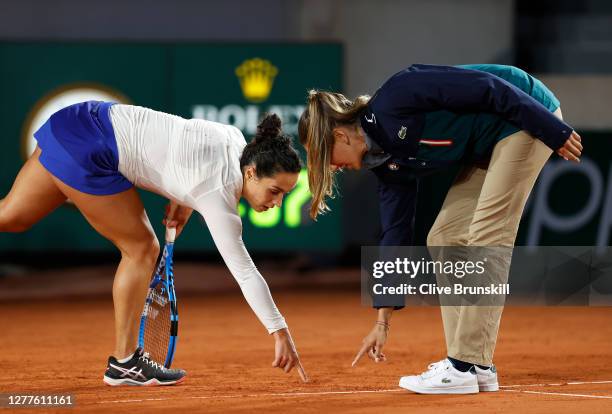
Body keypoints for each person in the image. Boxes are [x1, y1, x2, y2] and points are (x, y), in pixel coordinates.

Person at [298, 64, 582, 394]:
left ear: (340, 135)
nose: (333, 167)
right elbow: (395, 235)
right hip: (487, 143)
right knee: (445, 236)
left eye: (326, 157)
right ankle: (476, 367)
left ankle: (463, 364)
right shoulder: (385, 165)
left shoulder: (398, 94)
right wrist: (382, 321)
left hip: (527, 114)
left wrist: (552, 128)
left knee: (488, 236)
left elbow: (487, 87)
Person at [0, 101, 308, 386]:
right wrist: (280, 331)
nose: (277, 203)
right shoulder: (218, 195)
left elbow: (182, 143)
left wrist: (182, 198)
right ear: (251, 173)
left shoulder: (232, 139)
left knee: (11, 217)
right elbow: (245, 273)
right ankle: (124, 362)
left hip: (76, 120)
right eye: (274, 191)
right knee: (142, 249)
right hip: (92, 149)